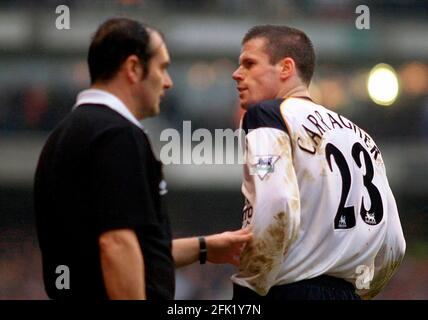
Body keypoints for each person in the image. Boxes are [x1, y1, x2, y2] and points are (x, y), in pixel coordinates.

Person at [34, 17, 252, 300]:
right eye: (162, 68)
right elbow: (116, 245)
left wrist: (205, 248)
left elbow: (130, 248)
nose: (169, 82)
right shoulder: (117, 135)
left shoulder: (64, 134)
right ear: (134, 68)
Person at [230, 25, 405, 300]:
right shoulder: (362, 137)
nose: (236, 74)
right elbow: (395, 244)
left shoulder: (268, 115)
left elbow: (276, 202)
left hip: (288, 290)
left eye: (249, 63)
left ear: (286, 68)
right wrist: (360, 293)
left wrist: (248, 287)